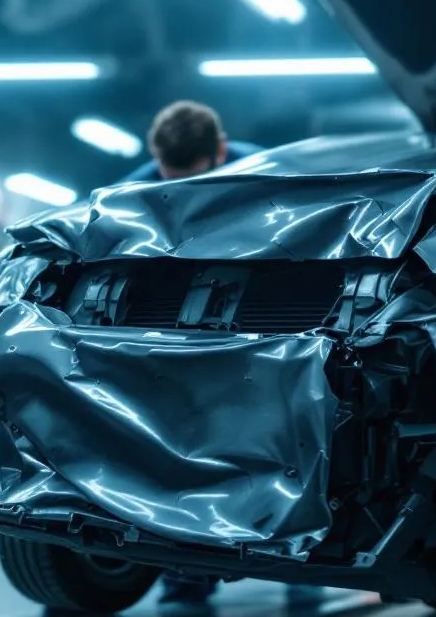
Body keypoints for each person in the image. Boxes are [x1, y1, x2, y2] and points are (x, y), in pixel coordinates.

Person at [114, 101, 322, 616]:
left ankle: (302, 567)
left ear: (221, 151)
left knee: (280, 449)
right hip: (173, 345)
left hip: (259, 337)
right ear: (155, 156)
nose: (180, 184)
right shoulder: (133, 193)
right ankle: (186, 584)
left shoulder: (272, 177)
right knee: (177, 458)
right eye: (169, 174)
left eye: (196, 173)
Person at [118, 99, 263, 184]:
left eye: (197, 179)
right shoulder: (126, 197)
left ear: (221, 149)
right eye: (173, 180)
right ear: (156, 155)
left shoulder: (266, 171)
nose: (185, 188)